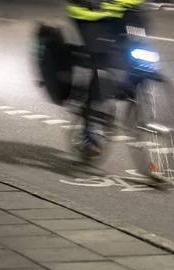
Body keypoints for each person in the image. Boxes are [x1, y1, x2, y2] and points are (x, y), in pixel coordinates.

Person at [65, 0, 146, 156]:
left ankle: (126, 87)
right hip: (90, 14)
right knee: (101, 63)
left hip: (123, 11)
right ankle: (88, 132)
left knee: (139, 53)